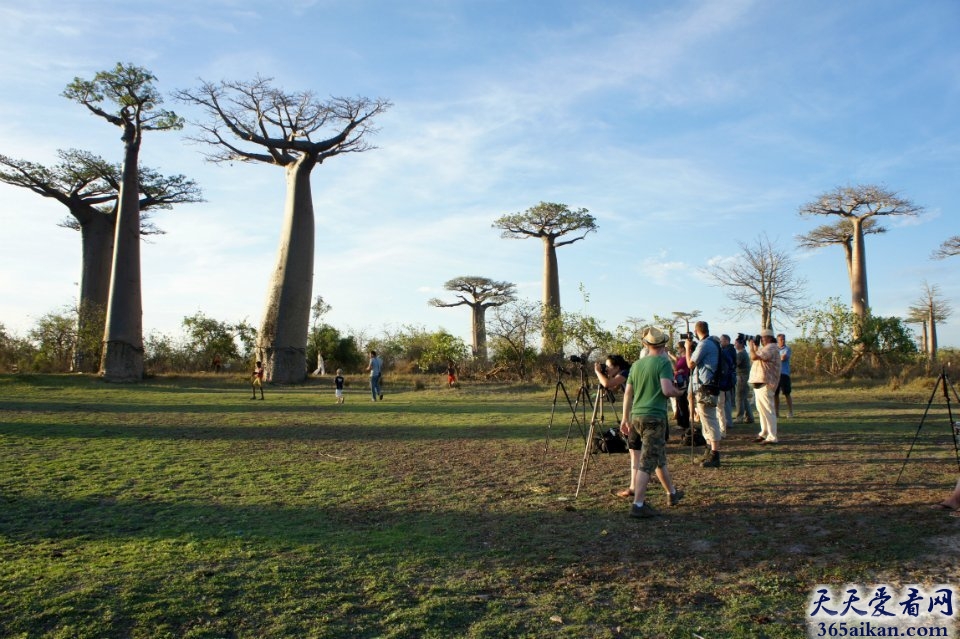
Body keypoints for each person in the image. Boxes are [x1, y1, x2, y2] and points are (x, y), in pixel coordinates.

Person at [620, 326, 685, 518]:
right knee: (647, 462)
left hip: (637, 417)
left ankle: (672, 494)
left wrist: (625, 417)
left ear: (645, 344)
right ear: (664, 344)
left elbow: (628, 393)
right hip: (654, 418)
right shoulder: (663, 363)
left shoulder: (636, 365)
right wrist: (679, 392)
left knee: (658, 458)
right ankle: (638, 505)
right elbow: (666, 390)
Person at [594, 354, 633, 498]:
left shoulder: (625, 373)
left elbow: (607, 385)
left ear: (617, 367)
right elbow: (614, 387)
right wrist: (605, 376)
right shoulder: (622, 373)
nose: (607, 368)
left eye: (609, 366)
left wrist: (598, 372)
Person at [687, 321, 723, 468]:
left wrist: (688, 348)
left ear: (696, 331)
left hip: (706, 387)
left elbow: (690, 364)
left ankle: (715, 455)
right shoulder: (713, 343)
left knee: (709, 420)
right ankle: (709, 451)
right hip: (708, 385)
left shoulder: (704, 344)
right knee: (706, 420)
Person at [749, 329, 781, 444]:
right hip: (760, 383)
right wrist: (756, 348)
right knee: (762, 411)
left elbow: (753, 357)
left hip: (766, 383)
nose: (762, 339)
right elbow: (756, 357)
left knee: (768, 410)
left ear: (769, 338)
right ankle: (764, 432)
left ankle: (772, 436)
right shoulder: (766, 348)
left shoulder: (771, 347)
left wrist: (751, 346)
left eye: (763, 338)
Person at [717, 334, 736, 438]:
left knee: (722, 406)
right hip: (726, 382)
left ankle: (724, 427)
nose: (721, 342)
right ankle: (725, 425)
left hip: (723, 382)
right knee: (723, 405)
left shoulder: (725, 352)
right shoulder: (728, 351)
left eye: (722, 340)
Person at [734, 336, 754, 424]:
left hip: (741, 377)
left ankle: (739, 417)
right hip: (744, 377)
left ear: (741, 344)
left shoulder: (741, 354)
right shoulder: (743, 353)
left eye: (736, 343)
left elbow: (735, 364)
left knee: (739, 398)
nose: (735, 345)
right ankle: (749, 417)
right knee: (744, 398)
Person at [776, 333, 794, 419]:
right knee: (775, 394)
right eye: (781, 339)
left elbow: (783, 358)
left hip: (784, 374)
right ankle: (776, 413)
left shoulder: (787, 349)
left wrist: (774, 358)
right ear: (777, 340)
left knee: (787, 393)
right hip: (775, 374)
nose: (783, 341)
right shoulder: (774, 349)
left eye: (784, 339)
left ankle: (790, 412)